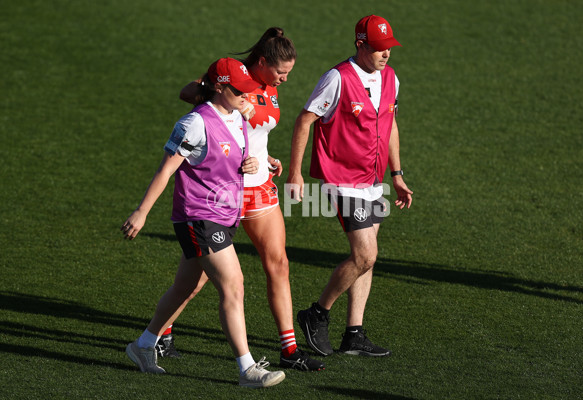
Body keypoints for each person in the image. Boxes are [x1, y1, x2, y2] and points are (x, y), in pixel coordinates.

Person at [165, 27, 325, 371]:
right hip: (223, 191)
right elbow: (188, 91)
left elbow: (254, 132)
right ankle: (160, 333)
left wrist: (266, 156)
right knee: (200, 278)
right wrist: (213, 91)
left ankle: (289, 349)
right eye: (281, 71)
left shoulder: (270, 88)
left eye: (288, 73)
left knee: (278, 263)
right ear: (263, 62)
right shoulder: (233, 79)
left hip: (259, 185)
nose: (285, 78)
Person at [121, 57, 285, 388]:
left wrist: (258, 161)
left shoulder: (237, 115)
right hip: (198, 216)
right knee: (234, 284)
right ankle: (247, 368)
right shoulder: (193, 124)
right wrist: (142, 211)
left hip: (223, 216)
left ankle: (142, 346)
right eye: (240, 91)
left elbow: (231, 152)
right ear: (220, 88)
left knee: (186, 287)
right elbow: (166, 169)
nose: (246, 96)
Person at [285, 15, 413, 357]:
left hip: (373, 181)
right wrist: (295, 172)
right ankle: (317, 313)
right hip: (342, 179)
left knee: (367, 258)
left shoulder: (390, 78)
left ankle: (353, 334)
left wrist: (397, 173)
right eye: (379, 48)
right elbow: (305, 119)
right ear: (361, 45)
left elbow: (390, 124)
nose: (386, 54)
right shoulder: (337, 78)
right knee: (365, 253)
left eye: (389, 47)